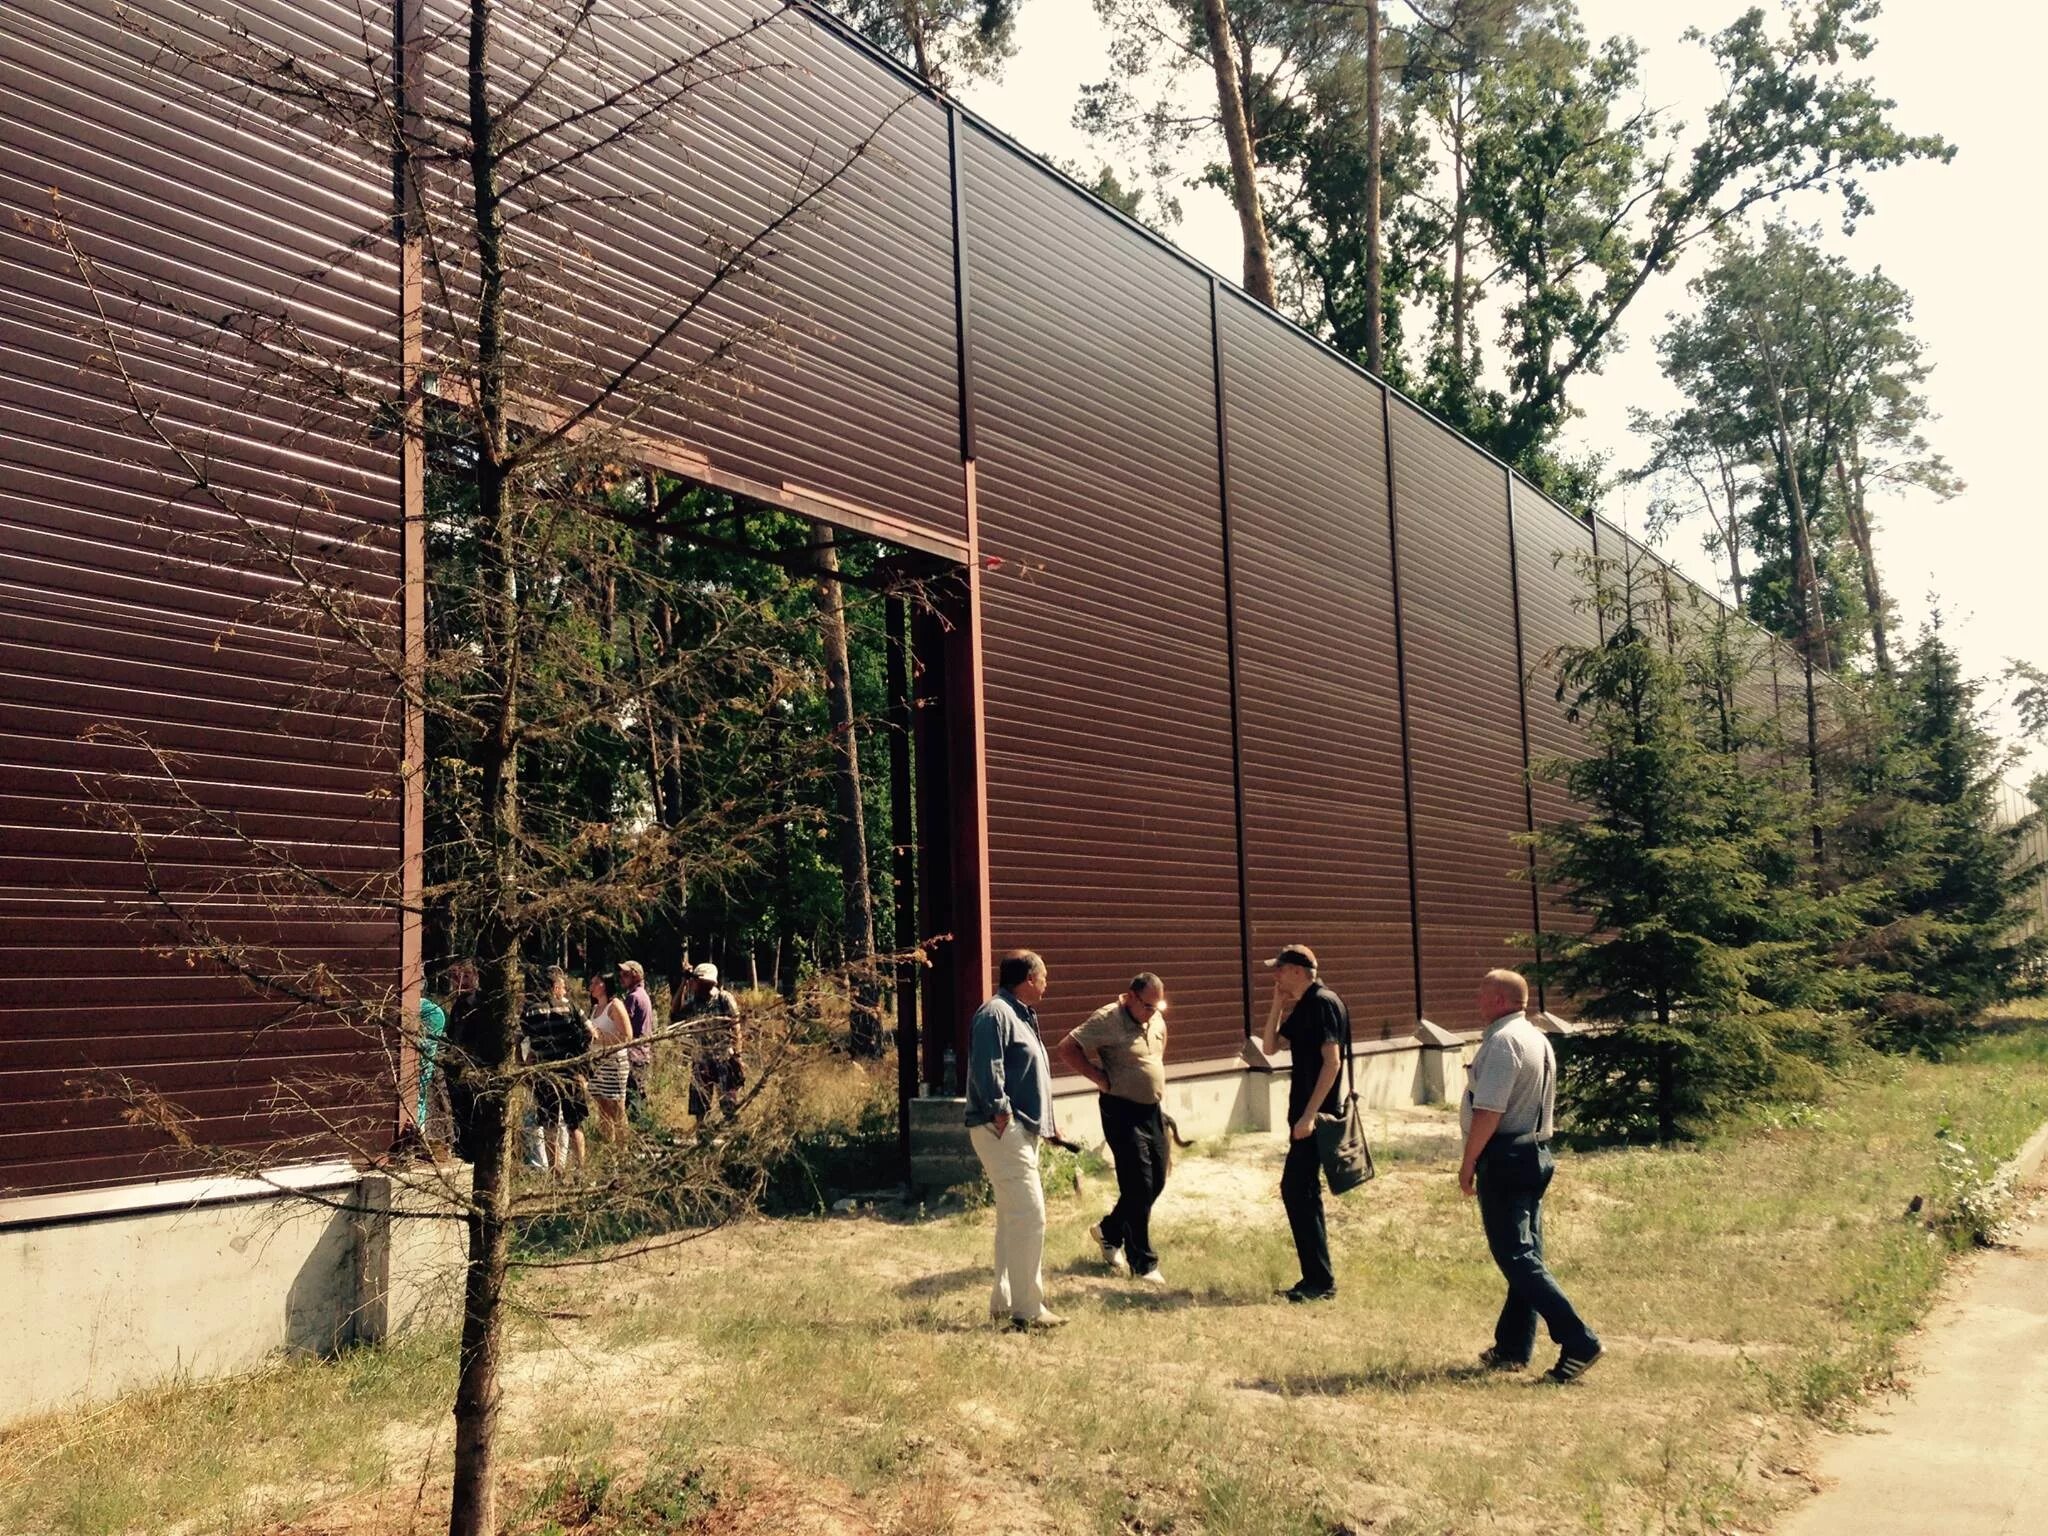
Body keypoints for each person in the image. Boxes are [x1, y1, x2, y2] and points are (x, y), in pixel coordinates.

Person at [1459, 969, 1602, 1382]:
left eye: (1483, 994)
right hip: (1534, 1153)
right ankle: (1512, 1347)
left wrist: (1469, 1162)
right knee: (1525, 1255)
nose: (1477, 1000)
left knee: (1516, 1256)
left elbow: (1490, 1111)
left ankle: (1579, 1340)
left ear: (1501, 1000)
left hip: (1506, 1157)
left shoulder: (1504, 1042)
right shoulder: (1535, 1036)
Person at [965, 950, 1064, 1331]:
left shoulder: (1020, 1014)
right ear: (1027, 978)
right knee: (1030, 1214)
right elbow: (988, 1069)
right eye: (1043, 976)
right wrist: (1002, 1114)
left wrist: (1048, 1124)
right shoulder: (996, 1014)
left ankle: (1004, 1302)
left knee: (1012, 1218)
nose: (1046, 983)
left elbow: (1028, 1076)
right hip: (1002, 1130)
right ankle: (1029, 1309)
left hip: (1020, 1128)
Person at [1059, 972, 1170, 1284]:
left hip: (1152, 1110)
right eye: (1148, 1006)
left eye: (1158, 1006)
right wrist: (1098, 1077)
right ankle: (1144, 1263)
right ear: (1130, 997)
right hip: (1121, 1109)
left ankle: (1109, 1231)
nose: (1154, 1012)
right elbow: (1067, 1047)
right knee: (1138, 1184)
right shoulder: (1108, 1018)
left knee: (1157, 1181)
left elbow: (1156, 1051)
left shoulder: (1156, 1018)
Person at [1259, 943, 1347, 1302]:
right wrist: (1278, 1004)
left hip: (1315, 1119)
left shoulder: (1323, 1003)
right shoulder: (1306, 1005)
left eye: (1279, 969)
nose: (1275, 975)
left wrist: (1309, 1116)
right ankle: (1317, 1278)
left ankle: (1319, 1282)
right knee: (1302, 1192)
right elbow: (1269, 1046)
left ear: (1297, 970)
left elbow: (1333, 1062)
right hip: (1304, 1118)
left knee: (1297, 1190)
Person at [521, 965, 591, 1174]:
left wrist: (526, 1062)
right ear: (554, 987)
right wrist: (582, 1061)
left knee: (550, 1123)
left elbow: (519, 1037)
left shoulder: (530, 1011)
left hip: (545, 1073)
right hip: (570, 1071)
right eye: (561, 985)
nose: (564, 990)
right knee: (574, 1124)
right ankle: (580, 1169)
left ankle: (555, 1169)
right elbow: (591, 1033)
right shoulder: (571, 1009)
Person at [677, 962, 743, 1123]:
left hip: (723, 1059)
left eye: (700, 982)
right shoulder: (694, 1002)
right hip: (701, 1060)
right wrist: (684, 981)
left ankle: (734, 1138)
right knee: (700, 1105)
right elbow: (675, 1012)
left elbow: (736, 1028)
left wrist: (737, 1056)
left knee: (729, 1104)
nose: (697, 985)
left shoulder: (723, 998)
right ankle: (702, 1138)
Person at [585, 970, 633, 1140]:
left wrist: (599, 1037)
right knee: (602, 1107)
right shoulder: (595, 1007)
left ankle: (623, 1150)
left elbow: (627, 1036)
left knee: (616, 1107)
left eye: (594, 983)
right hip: (597, 1063)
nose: (590, 987)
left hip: (614, 1063)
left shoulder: (615, 1005)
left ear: (603, 985)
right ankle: (608, 1148)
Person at [617, 959, 656, 1120]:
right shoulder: (643, 995)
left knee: (633, 1099)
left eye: (625, 974)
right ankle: (643, 1133)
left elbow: (623, 1026)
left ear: (636, 976)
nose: (621, 978)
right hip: (643, 1055)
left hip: (634, 1055)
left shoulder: (633, 998)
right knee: (639, 1096)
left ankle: (637, 1137)